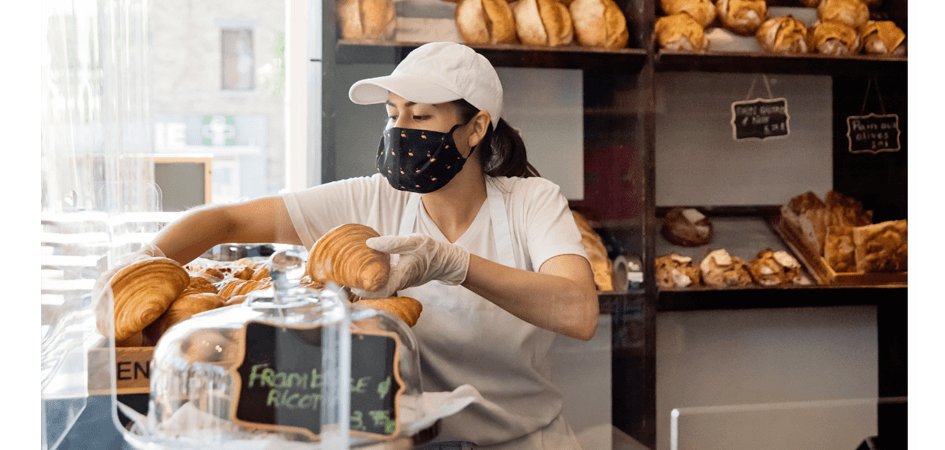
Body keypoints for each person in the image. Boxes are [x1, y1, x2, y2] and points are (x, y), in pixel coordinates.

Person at [137, 41, 599, 449]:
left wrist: (453, 263)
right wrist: (135, 269)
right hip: (403, 444)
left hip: (527, 441)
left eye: (419, 116)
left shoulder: (531, 201)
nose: (400, 130)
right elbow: (223, 219)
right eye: (392, 114)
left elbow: (577, 311)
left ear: (476, 128)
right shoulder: (369, 198)